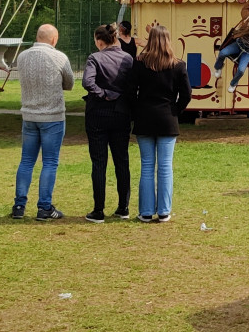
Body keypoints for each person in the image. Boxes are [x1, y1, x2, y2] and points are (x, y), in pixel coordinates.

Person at [124, 23, 193, 222]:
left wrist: (136, 110)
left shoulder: (139, 63)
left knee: (147, 166)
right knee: (165, 166)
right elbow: (187, 94)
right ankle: (164, 211)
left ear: (150, 41)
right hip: (167, 118)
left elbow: (130, 92)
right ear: (168, 41)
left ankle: (146, 212)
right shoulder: (178, 65)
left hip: (144, 117)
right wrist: (175, 110)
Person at [12, 23, 74, 221]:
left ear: (37, 37)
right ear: (54, 39)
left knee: (26, 161)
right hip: (52, 116)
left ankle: (19, 205)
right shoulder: (59, 57)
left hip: (29, 115)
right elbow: (69, 84)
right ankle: (44, 207)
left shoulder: (22, 57)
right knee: (50, 162)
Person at [83, 23, 134, 222]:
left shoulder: (95, 58)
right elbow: (132, 85)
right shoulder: (127, 59)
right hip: (121, 112)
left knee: (99, 162)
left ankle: (98, 210)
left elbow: (88, 82)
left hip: (97, 113)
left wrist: (103, 94)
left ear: (99, 41)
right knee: (122, 160)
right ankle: (123, 207)